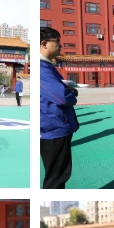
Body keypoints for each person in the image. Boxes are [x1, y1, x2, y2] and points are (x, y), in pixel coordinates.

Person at [40, 27, 79, 189]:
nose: (60, 46)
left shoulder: (47, 66)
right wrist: (72, 93)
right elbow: (60, 97)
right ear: (44, 44)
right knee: (56, 178)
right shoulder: (42, 68)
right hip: (53, 128)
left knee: (57, 176)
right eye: (57, 42)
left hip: (54, 125)